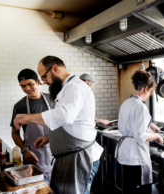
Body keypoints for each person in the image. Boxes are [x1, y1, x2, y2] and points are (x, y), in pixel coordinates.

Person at [13, 56, 103, 194]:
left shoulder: (74, 86)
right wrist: (49, 137)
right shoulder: (65, 89)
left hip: (79, 157)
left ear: (55, 69)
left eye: (44, 77)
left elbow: (64, 116)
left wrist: (27, 117)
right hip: (69, 158)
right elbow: (70, 122)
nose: (44, 82)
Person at [115, 70, 163, 194]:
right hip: (136, 156)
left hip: (125, 153)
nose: (150, 94)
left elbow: (130, 123)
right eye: (151, 91)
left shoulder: (126, 103)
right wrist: (157, 135)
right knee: (143, 191)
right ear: (145, 88)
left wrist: (149, 124)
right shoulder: (141, 106)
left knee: (129, 189)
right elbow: (141, 137)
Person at [10, 69, 54, 185]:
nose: (27, 88)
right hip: (34, 157)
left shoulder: (53, 99)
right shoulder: (20, 106)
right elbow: (15, 133)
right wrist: (24, 150)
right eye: (23, 86)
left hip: (55, 153)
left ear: (38, 81)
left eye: (30, 84)